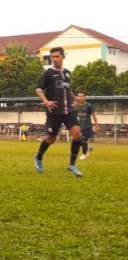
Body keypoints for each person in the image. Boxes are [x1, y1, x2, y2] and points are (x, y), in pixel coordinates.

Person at [34, 47, 84, 177]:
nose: (55, 59)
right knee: (51, 139)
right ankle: (39, 157)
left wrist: (75, 99)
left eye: (57, 56)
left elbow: (68, 89)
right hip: (54, 111)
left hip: (69, 111)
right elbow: (39, 89)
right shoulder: (48, 73)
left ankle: (72, 165)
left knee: (77, 135)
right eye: (53, 57)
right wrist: (46, 102)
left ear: (63, 57)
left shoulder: (67, 73)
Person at [74, 93, 98, 160]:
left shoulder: (89, 105)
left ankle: (84, 154)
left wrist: (96, 125)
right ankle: (88, 149)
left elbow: (94, 115)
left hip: (87, 125)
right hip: (78, 126)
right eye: (78, 96)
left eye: (81, 96)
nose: (80, 97)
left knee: (84, 139)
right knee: (78, 140)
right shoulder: (75, 106)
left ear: (85, 97)